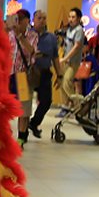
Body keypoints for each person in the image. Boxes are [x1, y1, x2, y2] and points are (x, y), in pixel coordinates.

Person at [9, 9, 38, 145]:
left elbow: (32, 51)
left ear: (27, 20)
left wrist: (20, 36)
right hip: (8, 73)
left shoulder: (32, 36)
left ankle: (21, 136)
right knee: (5, 105)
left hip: (22, 75)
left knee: (23, 107)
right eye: (16, 18)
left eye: (21, 18)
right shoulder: (9, 34)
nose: (18, 21)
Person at [29, 10, 58, 139]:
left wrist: (60, 75)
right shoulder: (27, 35)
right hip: (29, 73)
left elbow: (55, 57)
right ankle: (22, 133)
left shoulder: (51, 38)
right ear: (33, 19)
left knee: (46, 101)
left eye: (44, 18)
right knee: (24, 103)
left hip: (45, 73)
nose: (42, 20)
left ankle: (34, 123)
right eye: (39, 18)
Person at [58, 7, 87, 106]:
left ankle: (78, 104)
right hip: (66, 61)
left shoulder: (79, 30)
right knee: (63, 83)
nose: (70, 19)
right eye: (69, 17)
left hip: (73, 62)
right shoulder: (69, 29)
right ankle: (66, 106)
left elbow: (77, 46)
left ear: (79, 18)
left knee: (66, 81)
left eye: (73, 17)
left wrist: (65, 58)